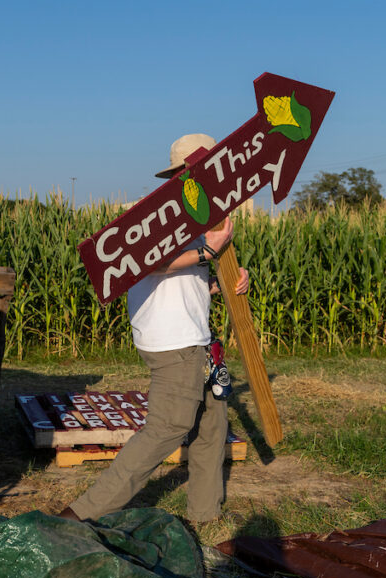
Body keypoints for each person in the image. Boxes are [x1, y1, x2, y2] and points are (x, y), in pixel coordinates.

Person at [60, 133, 250, 525]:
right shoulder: (152, 216)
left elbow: (188, 281)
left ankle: (205, 514)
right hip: (171, 340)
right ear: (185, 172)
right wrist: (208, 252)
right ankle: (82, 513)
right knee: (169, 426)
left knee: (211, 427)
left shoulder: (200, 221)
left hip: (197, 339)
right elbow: (145, 263)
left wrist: (227, 281)